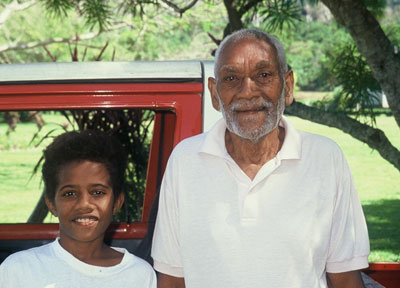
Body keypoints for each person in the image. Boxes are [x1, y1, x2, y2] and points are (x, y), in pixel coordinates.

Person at [151, 29, 370, 288]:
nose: (248, 92)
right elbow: (172, 280)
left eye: (263, 75)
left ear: (287, 86)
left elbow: (345, 278)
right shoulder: (184, 161)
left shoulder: (325, 158)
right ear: (214, 93)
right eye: (231, 78)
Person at [0, 130, 156, 288]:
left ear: (116, 202)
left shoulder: (138, 275)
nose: (84, 204)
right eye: (69, 193)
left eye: (97, 192)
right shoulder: (18, 270)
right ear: (52, 204)